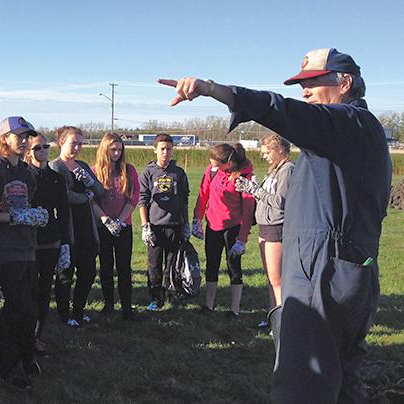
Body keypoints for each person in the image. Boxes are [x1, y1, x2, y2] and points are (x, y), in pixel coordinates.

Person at [159, 47, 391, 403]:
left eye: (313, 82)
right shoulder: (344, 135)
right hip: (337, 270)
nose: (305, 91)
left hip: (323, 277)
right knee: (341, 383)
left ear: (344, 83)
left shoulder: (348, 124)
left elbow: (282, 110)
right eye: (302, 85)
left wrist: (214, 89)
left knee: (302, 385)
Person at [0, 116, 45, 390]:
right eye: (19, 136)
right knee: (18, 307)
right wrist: (12, 218)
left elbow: (28, 203)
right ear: (4, 139)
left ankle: (25, 357)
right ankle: (8, 367)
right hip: (5, 249)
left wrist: (35, 216)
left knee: (30, 306)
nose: (24, 141)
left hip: (27, 246)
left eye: (27, 136)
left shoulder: (26, 173)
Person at [235, 134, 294, 327]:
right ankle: (273, 317)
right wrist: (252, 187)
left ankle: (283, 322)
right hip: (265, 227)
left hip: (277, 227)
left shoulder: (287, 170)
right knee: (271, 277)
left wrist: (255, 191)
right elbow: (266, 196)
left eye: (267, 152)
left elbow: (280, 202)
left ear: (279, 150)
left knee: (277, 279)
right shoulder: (274, 170)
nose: (265, 156)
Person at [50, 126, 105, 327]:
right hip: (68, 228)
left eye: (80, 144)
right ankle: (64, 314)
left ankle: (79, 310)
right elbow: (64, 197)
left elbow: (100, 191)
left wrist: (90, 181)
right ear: (61, 143)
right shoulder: (56, 167)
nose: (77, 148)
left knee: (88, 272)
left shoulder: (81, 165)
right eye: (73, 143)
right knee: (66, 273)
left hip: (87, 227)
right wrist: (86, 196)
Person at [23, 132, 72, 355]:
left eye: (45, 147)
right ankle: (24, 334)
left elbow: (63, 212)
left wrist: (65, 243)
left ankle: (36, 335)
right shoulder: (23, 177)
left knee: (44, 291)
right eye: (37, 148)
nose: (42, 151)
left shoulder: (56, 178)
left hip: (51, 240)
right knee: (28, 290)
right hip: (27, 241)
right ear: (28, 151)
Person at [193, 143, 255, 318]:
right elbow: (203, 193)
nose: (214, 167)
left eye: (217, 164)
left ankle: (235, 309)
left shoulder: (243, 175)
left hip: (233, 228)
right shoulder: (212, 171)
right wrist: (197, 219)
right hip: (213, 225)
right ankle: (209, 305)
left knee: (233, 267)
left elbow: (248, 208)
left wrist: (242, 238)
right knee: (211, 265)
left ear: (228, 162)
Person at [138, 133, 190, 311]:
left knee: (172, 264)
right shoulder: (148, 173)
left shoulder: (179, 173)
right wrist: (146, 226)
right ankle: (155, 297)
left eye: (169, 149)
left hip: (175, 225)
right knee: (154, 264)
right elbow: (142, 200)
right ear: (155, 150)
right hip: (155, 226)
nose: (166, 152)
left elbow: (184, 200)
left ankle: (171, 295)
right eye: (162, 149)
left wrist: (186, 224)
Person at [92, 133, 140, 319]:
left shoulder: (129, 170)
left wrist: (120, 220)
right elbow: (92, 200)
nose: (117, 153)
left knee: (124, 267)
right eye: (113, 149)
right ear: (105, 149)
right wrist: (104, 219)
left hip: (123, 226)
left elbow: (133, 198)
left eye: (120, 149)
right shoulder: (95, 171)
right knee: (105, 266)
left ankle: (127, 307)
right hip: (103, 226)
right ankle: (108, 304)